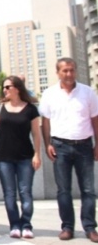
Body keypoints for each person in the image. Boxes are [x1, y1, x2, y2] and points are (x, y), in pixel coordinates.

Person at [40, 57, 98, 242]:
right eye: (65, 70)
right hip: (60, 146)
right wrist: (47, 143)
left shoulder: (88, 92)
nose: (69, 74)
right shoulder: (49, 94)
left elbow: (95, 120)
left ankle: (90, 227)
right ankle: (67, 227)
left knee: (88, 189)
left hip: (84, 146)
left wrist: (97, 145)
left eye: (72, 70)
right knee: (63, 190)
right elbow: (45, 122)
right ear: (58, 72)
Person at [0, 76, 41, 239]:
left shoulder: (31, 109)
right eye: (3, 87)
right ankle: (14, 225)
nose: (5, 90)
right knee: (9, 193)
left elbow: (36, 133)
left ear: (17, 88)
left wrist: (37, 154)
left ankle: (26, 225)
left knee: (26, 192)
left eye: (8, 87)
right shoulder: (0, 108)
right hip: (3, 157)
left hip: (25, 157)